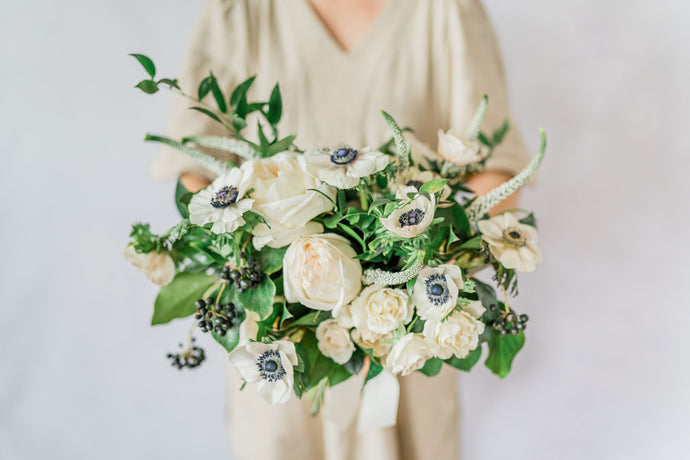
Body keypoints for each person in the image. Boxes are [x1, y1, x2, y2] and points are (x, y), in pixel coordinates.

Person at [150, 1, 531, 459]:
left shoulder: (445, 10)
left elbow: (497, 168)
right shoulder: (241, 11)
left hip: (406, 338)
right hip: (279, 339)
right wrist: (284, 274)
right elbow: (196, 170)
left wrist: (405, 283)